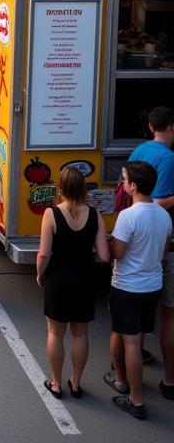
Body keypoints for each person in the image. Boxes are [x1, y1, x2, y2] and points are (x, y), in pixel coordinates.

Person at [35, 165, 109, 398]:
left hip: (58, 278)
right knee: (80, 334)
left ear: (61, 187)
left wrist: (39, 273)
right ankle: (75, 383)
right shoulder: (95, 214)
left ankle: (56, 383)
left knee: (55, 334)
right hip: (85, 279)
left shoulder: (51, 214)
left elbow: (44, 254)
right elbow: (105, 256)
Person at [107, 161, 171, 419]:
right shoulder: (163, 214)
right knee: (139, 336)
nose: (122, 183)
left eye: (124, 180)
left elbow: (118, 254)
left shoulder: (128, 216)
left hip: (127, 286)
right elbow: (163, 253)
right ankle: (134, 384)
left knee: (130, 342)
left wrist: (109, 242)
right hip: (153, 285)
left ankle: (135, 398)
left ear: (133, 186)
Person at [127, 105, 174, 398]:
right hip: (159, 241)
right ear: (171, 128)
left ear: (149, 126)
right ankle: (169, 380)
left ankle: (128, 371)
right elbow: (155, 203)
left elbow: (131, 193)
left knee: (135, 310)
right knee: (168, 314)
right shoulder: (168, 158)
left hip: (133, 238)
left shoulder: (138, 151)